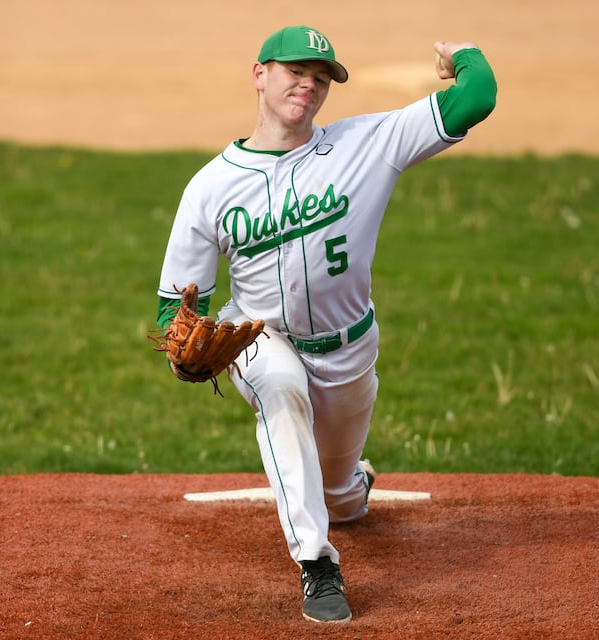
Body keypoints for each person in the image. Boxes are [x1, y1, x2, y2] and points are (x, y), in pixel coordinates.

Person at [155, 25, 497, 623]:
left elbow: (477, 97)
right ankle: (317, 566)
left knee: (342, 496)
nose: (307, 85)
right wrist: (182, 346)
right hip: (260, 336)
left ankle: (346, 489)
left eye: (320, 78)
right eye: (295, 72)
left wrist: (461, 56)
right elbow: (175, 305)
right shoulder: (209, 188)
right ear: (259, 74)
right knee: (280, 393)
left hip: (349, 351)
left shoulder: (369, 144)